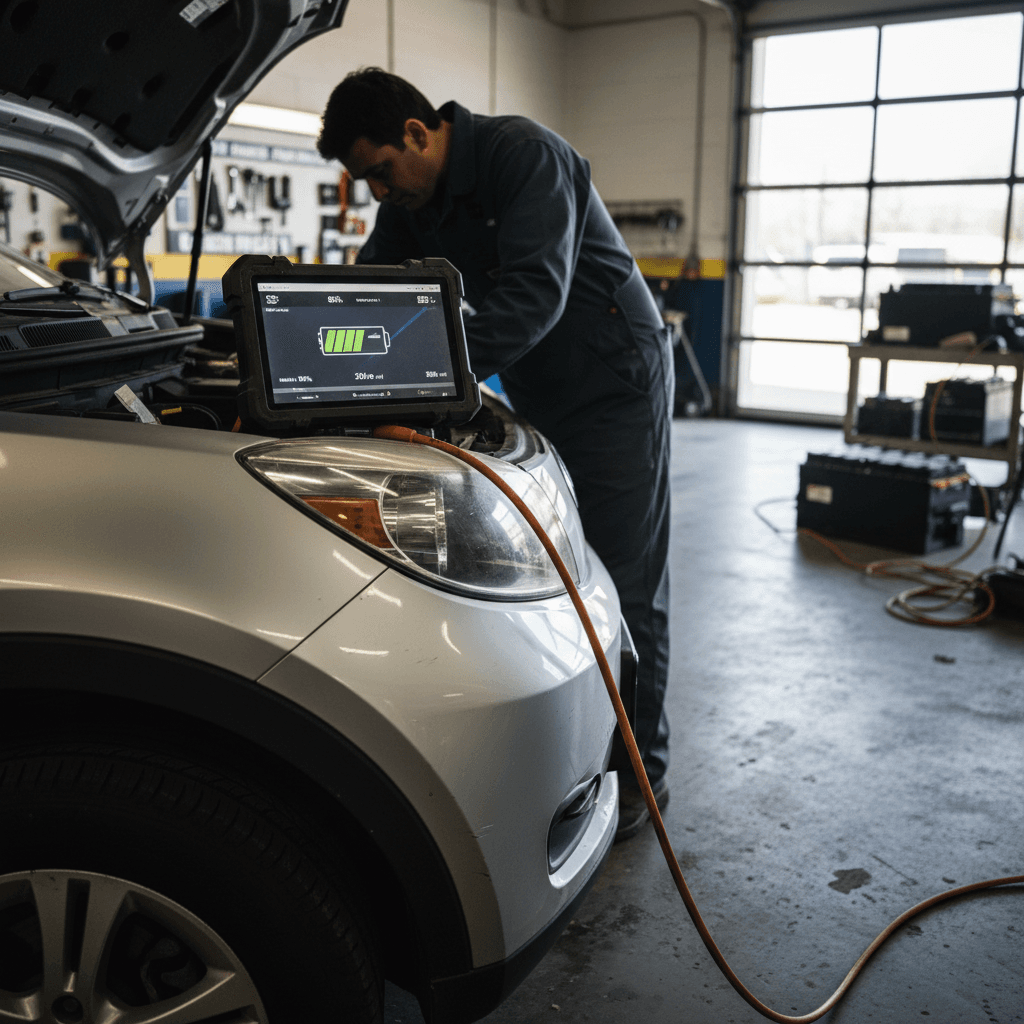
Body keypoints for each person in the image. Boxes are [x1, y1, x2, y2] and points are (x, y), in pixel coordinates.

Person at [317, 68, 673, 841]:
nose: (379, 192)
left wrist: (423, 381)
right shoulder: (413, 198)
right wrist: (321, 358)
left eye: (380, 170)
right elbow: (370, 286)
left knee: (624, 576)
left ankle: (644, 774)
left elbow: (534, 295)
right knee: (560, 574)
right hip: (541, 378)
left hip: (614, 381)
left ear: (417, 133)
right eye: (365, 180)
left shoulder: (525, 155)